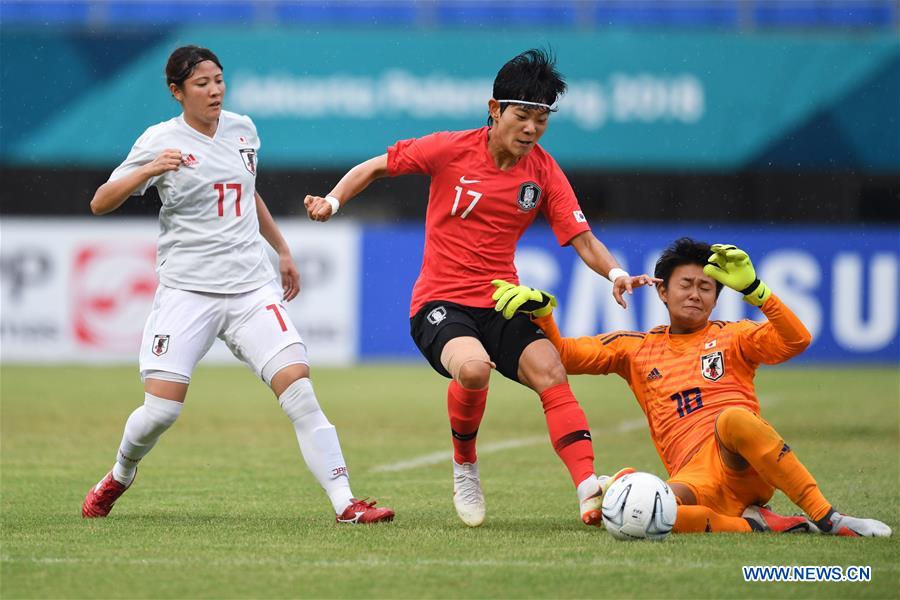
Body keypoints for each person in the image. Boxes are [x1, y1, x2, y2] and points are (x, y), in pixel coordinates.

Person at [304, 49, 655, 527]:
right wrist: (332, 201)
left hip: (501, 302)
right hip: (440, 302)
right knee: (472, 370)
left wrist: (615, 274)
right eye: (523, 115)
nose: (532, 128)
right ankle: (465, 463)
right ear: (495, 110)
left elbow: (583, 239)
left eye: (542, 118)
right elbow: (375, 166)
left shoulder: (544, 172)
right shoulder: (451, 149)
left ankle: (589, 491)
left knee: (551, 370)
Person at [81, 45, 393, 525]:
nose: (214, 91)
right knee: (161, 413)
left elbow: (246, 193)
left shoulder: (244, 129)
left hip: (251, 290)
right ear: (176, 92)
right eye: (202, 84)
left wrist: (282, 249)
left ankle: (345, 503)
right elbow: (101, 202)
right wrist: (148, 170)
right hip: (188, 292)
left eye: (219, 80)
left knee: (300, 389)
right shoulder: (158, 140)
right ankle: (120, 474)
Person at [494, 238, 891, 537]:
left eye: (707, 287)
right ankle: (753, 524)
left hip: (744, 463)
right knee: (634, 516)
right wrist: (544, 316)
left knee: (733, 419)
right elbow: (563, 355)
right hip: (695, 481)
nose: (696, 294)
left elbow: (796, 340)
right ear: (662, 291)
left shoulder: (735, 337)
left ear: (717, 298)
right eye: (686, 284)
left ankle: (829, 518)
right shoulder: (635, 348)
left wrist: (757, 290)